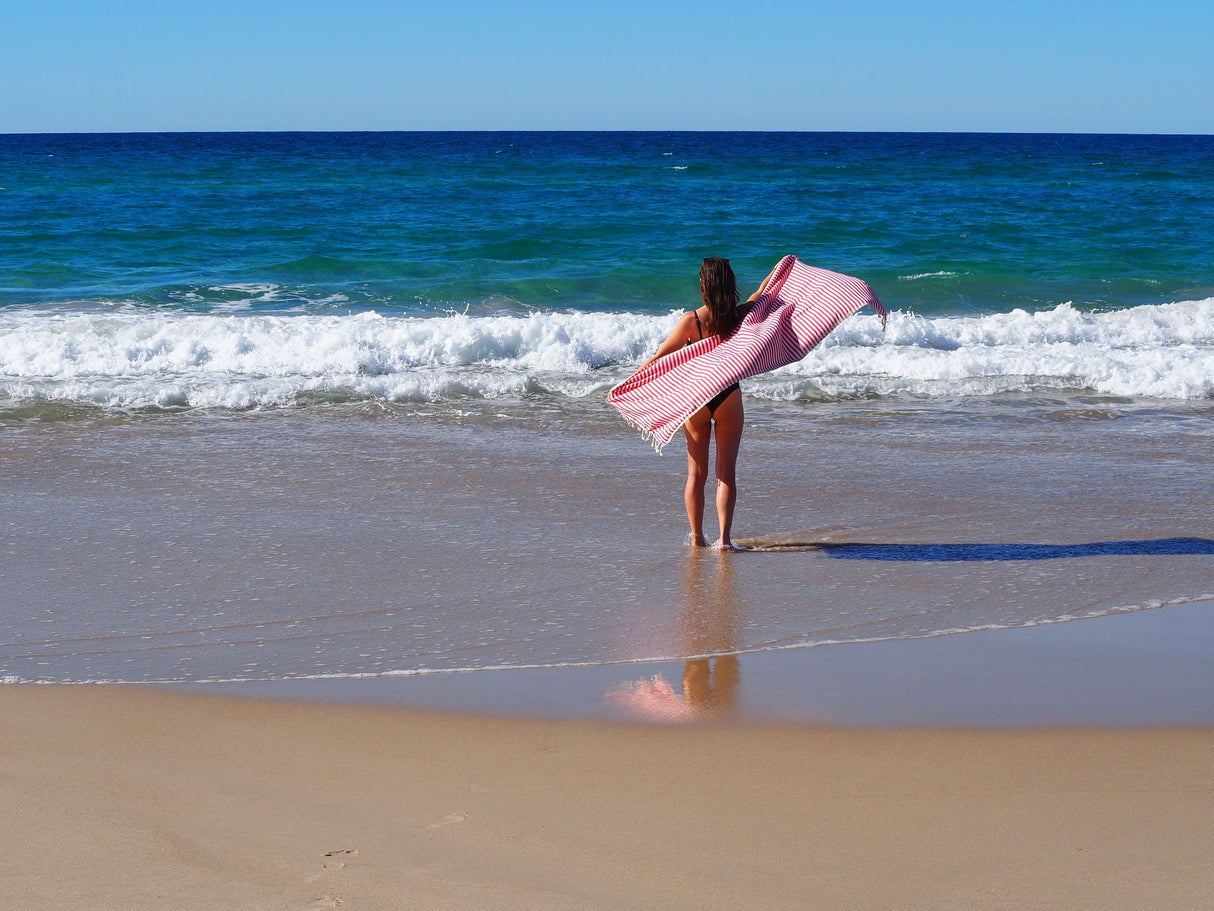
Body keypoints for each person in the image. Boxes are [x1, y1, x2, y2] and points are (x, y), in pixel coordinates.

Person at [637, 257, 776, 550]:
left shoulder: (692, 321)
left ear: (704, 285)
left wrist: (631, 383)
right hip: (728, 396)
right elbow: (762, 296)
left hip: (697, 400)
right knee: (726, 473)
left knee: (696, 474)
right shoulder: (739, 316)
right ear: (729, 284)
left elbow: (661, 357)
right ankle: (724, 541)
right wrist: (777, 272)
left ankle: (698, 537)